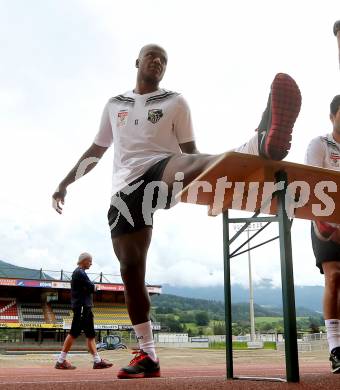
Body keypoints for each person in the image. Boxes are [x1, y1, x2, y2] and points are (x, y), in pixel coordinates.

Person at [52, 44, 301, 378]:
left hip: (162, 170)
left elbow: (192, 154)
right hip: (124, 192)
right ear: (137, 61)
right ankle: (149, 355)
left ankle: (258, 143)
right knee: (130, 270)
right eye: (152, 56)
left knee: (186, 164)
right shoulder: (115, 105)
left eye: (164, 60)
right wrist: (64, 183)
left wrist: (211, 182)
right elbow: (96, 149)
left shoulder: (175, 102)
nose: (158, 61)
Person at [305, 95, 340, 374]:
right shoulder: (320, 144)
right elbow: (311, 186)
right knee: (335, 275)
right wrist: (327, 227)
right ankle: (335, 348)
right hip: (325, 222)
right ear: (332, 116)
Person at [55, 252, 113, 370]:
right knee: (74, 333)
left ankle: (97, 361)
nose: (91, 263)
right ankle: (60, 360)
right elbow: (92, 288)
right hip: (81, 306)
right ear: (84, 260)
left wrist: (92, 287)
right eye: (90, 261)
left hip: (86, 307)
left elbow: (89, 287)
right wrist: (94, 287)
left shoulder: (81, 273)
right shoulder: (79, 272)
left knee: (91, 335)